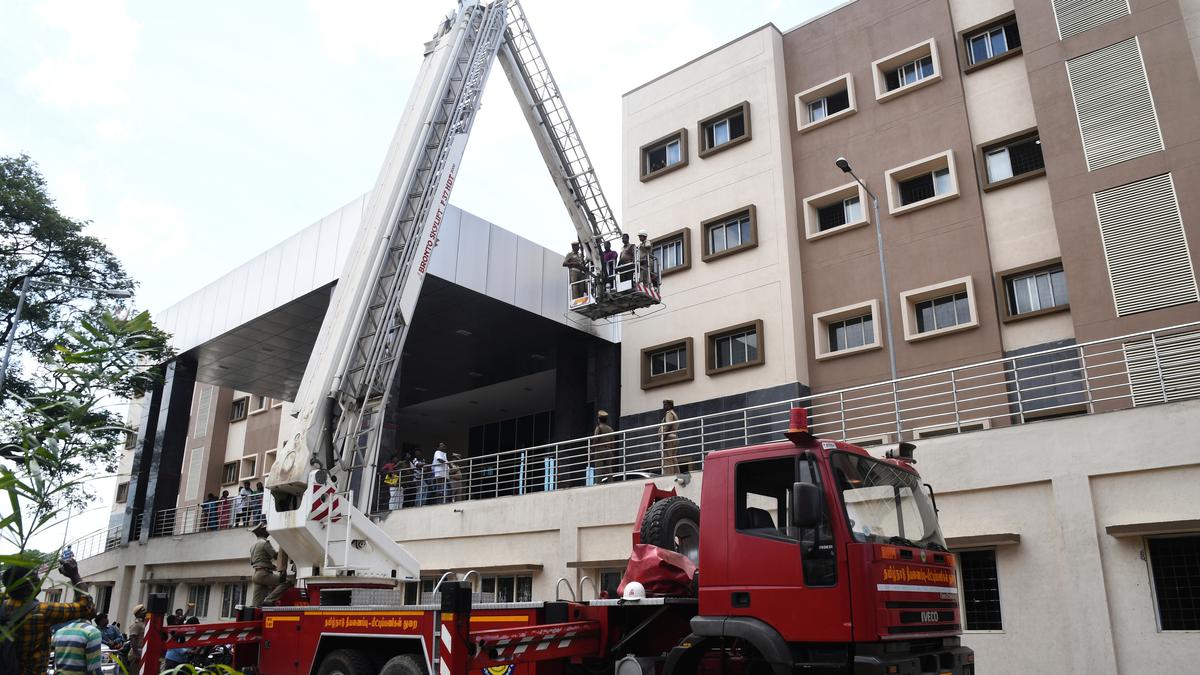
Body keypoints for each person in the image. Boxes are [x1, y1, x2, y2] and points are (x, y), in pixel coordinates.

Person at [1, 558, 95, 675]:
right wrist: (74, 575)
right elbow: (86, 607)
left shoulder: (3, 605)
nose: (39, 579)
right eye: (35, 578)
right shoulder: (42, 611)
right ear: (27, 588)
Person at [249, 523, 293, 607]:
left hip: (256, 575)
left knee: (256, 604)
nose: (267, 531)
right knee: (287, 582)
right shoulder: (264, 543)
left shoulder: (253, 545)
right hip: (263, 574)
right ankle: (269, 600)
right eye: (264, 529)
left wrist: (272, 567)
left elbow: (256, 561)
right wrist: (285, 548)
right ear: (261, 532)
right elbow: (275, 556)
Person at [660, 399, 683, 480]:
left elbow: (669, 425)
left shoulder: (669, 413)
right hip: (674, 437)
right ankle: (677, 474)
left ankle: (669, 477)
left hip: (669, 438)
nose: (663, 407)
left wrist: (664, 437)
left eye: (665, 405)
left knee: (667, 459)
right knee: (673, 458)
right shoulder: (674, 414)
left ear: (670, 405)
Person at [592, 410, 617, 479]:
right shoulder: (610, 429)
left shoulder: (598, 428)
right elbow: (613, 443)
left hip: (600, 450)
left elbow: (595, 439)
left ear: (599, 419)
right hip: (609, 450)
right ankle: (610, 481)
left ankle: (598, 483)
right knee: (609, 469)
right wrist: (612, 452)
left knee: (598, 469)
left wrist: (592, 449)